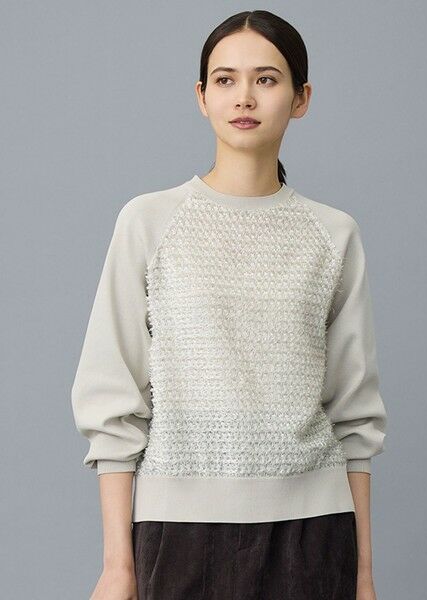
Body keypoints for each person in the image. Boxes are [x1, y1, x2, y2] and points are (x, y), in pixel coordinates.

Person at [71, 9, 388, 600]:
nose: (244, 96)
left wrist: (363, 577)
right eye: (225, 79)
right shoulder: (149, 222)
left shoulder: (333, 234)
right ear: (202, 96)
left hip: (314, 534)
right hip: (177, 534)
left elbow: (354, 417)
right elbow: (112, 399)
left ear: (301, 98)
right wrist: (118, 567)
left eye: (266, 79)